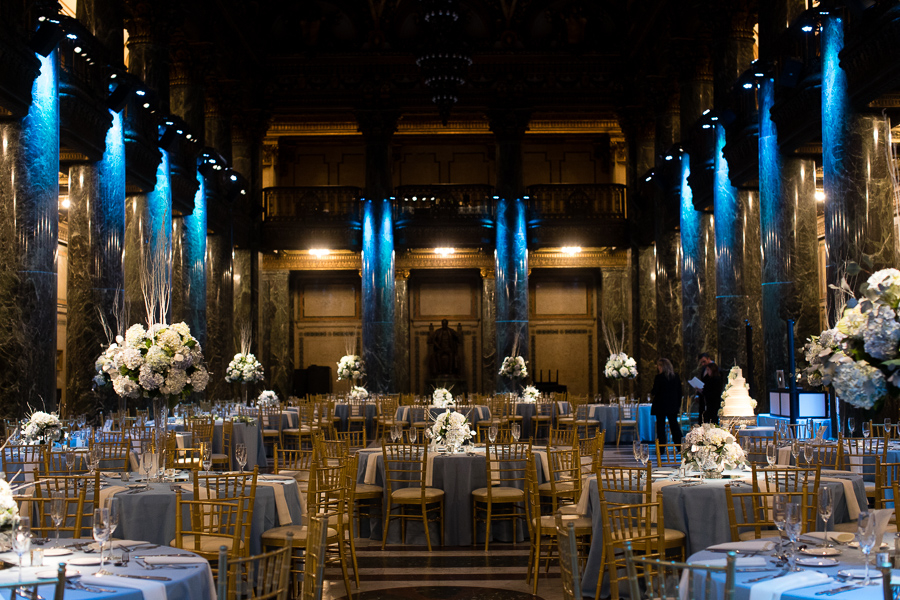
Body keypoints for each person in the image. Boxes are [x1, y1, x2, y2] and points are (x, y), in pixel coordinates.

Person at [650, 358, 682, 444]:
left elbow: (655, 391)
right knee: (674, 426)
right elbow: (679, 391)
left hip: (661, 406)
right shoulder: (676, 376)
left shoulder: (659, 377)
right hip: (672, 405)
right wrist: (678, 405)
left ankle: (661, 448)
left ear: (661, 367)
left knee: (660, 427)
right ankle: (679, 446)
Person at [697, 353, 724, 424]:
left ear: (709, 359)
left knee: (712, 419)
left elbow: (715, 389)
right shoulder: (704, 370)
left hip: (712, 400)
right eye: (701, 362)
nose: (703, 364)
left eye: (704, 361)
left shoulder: (717, 372)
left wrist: (703, 391)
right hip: (705, 399)